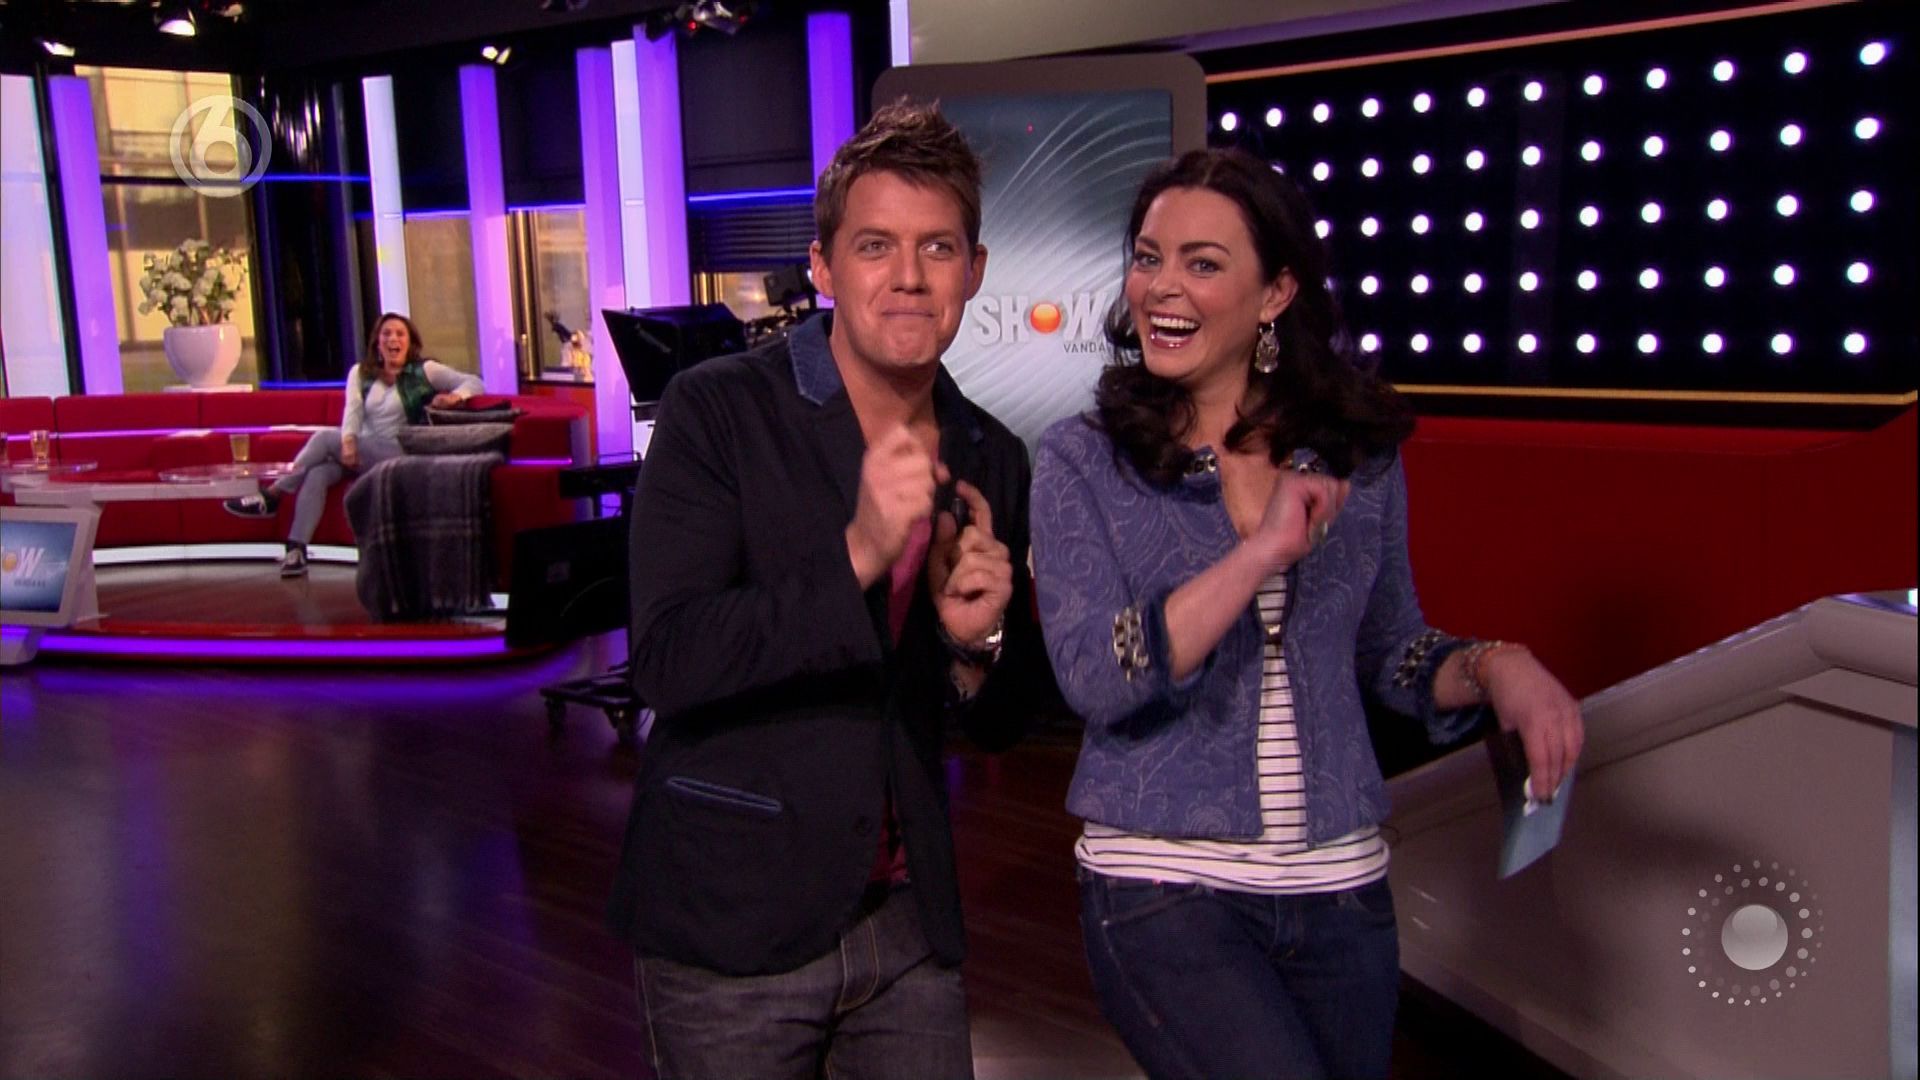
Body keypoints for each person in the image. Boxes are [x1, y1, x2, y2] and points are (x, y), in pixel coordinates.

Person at [1029, 148, 1585, 1080]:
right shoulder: (1085, 459)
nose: (1162, 287)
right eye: (1149, 257)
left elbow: (1392, 653)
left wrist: (1498, 666)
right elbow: (1095, 673)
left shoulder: (1354, 456)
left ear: (1276, 293)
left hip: (1342, 894)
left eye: (1203, 263)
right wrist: (1255, 556)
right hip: (1163, 887)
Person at [607, 101, 1049, 1080]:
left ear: (975, 270)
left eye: (938, 248)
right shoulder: (718, 410)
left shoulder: (991, 452)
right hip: (733, 924)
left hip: (908, 926)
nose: (908, 277)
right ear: (823, 267)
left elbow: (1003, 724)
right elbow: (669, 660)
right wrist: (858, 553)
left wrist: (976, 646)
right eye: (875, 246)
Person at [223, 312, 481, 577]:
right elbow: (353, 412)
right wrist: (349, 442)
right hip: (363, 450)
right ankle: (296, 550)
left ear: (410, 341)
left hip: (401, 452)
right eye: (386, 334)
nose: (393, 339)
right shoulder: (360, 373)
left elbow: (474, 382)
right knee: (318, 473)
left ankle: (273, 494)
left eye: (400, 334)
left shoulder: (424, 371)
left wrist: (455, 396)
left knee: (325, 438)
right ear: (377, 342)